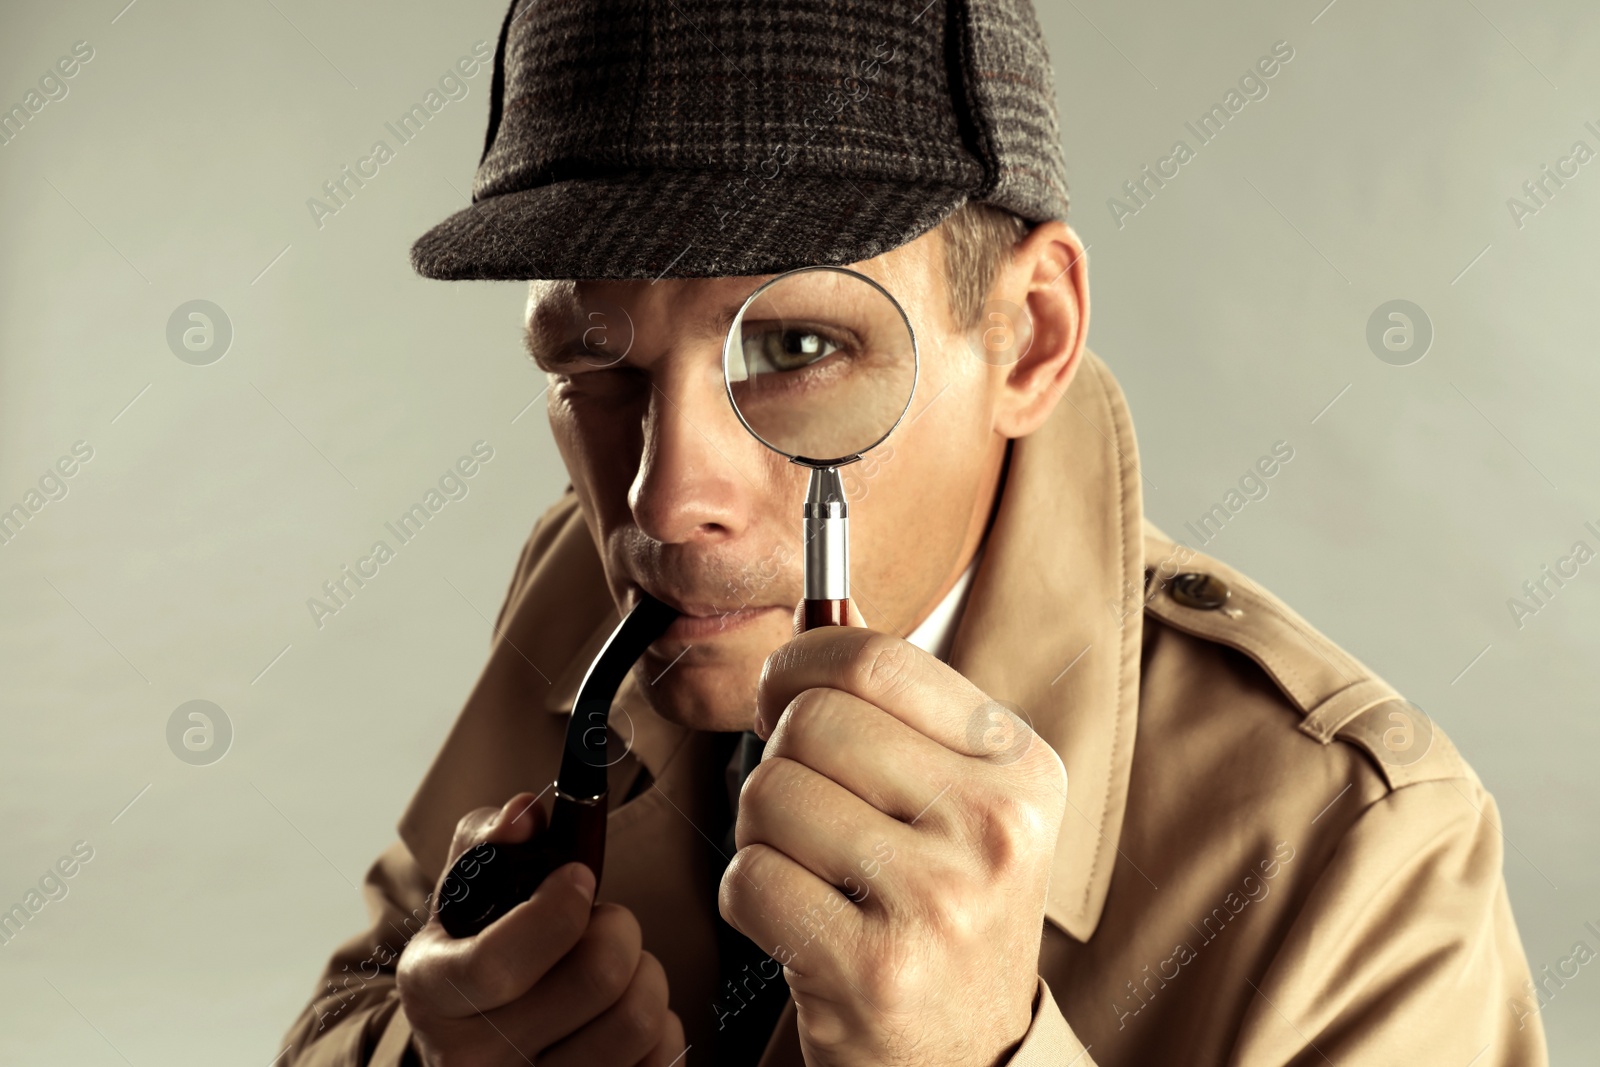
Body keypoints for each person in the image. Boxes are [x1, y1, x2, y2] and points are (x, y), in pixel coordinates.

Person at [280, 0, 1548, 1063]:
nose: (664, 504)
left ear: (1030, 335)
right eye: (595, 362)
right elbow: (355, 1002)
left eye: (795, 346)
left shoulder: (1361, 850)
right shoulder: (582, 583)